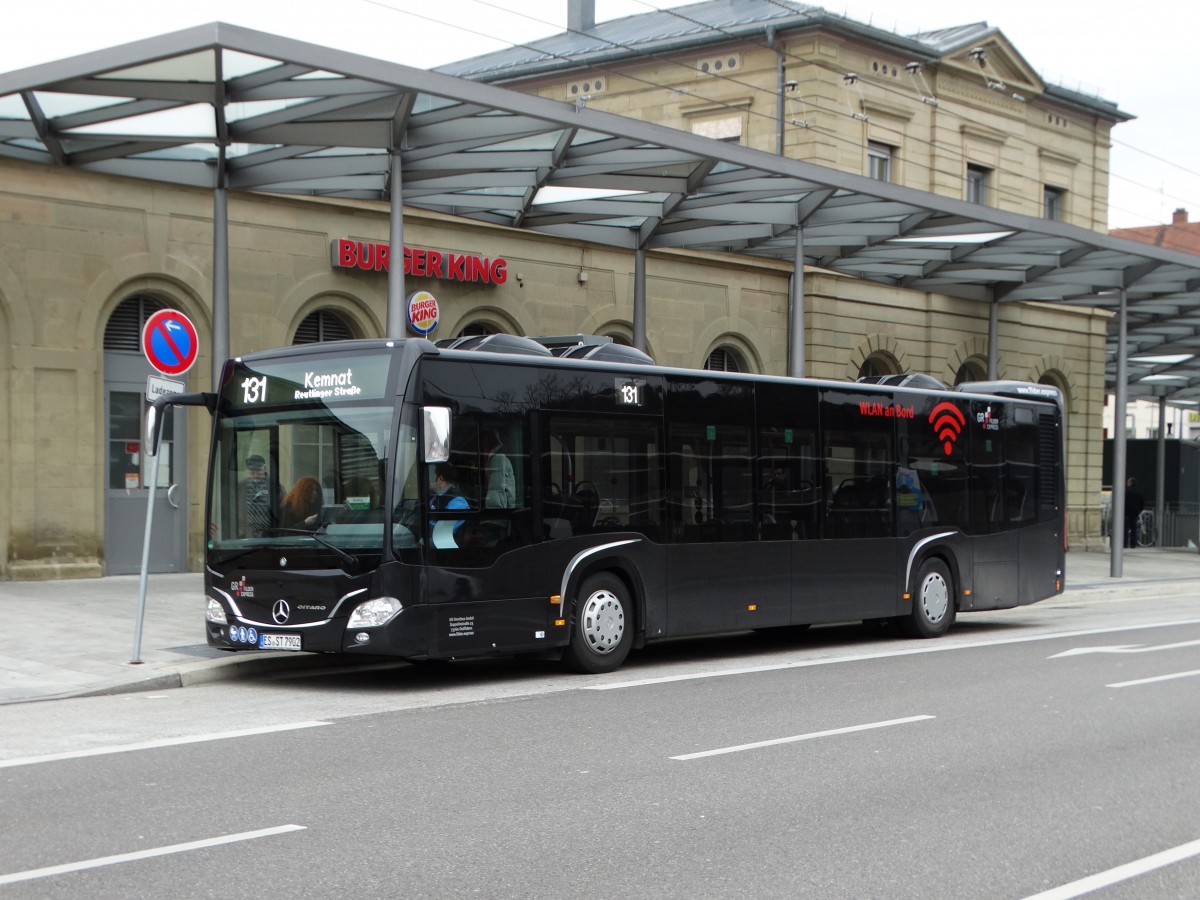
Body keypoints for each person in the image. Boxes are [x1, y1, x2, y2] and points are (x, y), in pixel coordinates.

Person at [429, 462, 469, 548]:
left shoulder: (457, 501)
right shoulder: (435, 497)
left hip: (449, 547)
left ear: (440, 478)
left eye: (431, 477)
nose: (429, 481)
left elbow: (442, 530)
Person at [242, 454, 283, 536]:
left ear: (265, 468)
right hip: (249, 533)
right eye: (252, 471)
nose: (255, 475)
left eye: (258, 470)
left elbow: (283, 509)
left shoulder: (274, 485)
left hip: (270, 533)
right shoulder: (243, 485)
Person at [482, 429, 516, 509]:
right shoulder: (505, 461)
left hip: (489, 499)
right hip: (501, 502)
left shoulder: (490, 460)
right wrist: (512, 508)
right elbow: (510, 488)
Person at [1124, 476, 1145, 548]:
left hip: (1126, 512)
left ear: (1130, 483)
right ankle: (1133, 544)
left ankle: (1125, 544)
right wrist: (1139, 510)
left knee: (1125, 528)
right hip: (1135, 513)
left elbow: (1123, 501)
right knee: (1134, 529)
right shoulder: (1139, 492)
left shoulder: (1126, 491)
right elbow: (1142, 502)